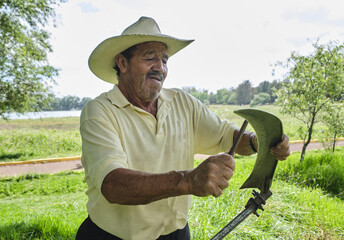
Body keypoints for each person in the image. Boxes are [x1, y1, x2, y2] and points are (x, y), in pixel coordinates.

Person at [76, 16, 290, 240]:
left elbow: (227, 136)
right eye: (150, 58)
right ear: (122, 63)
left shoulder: (182, 102)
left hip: (176, 235)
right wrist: (188, 180)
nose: (160, 68)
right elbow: (113, 184)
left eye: (165, 60)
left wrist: (258, 140)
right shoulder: (100, 111)